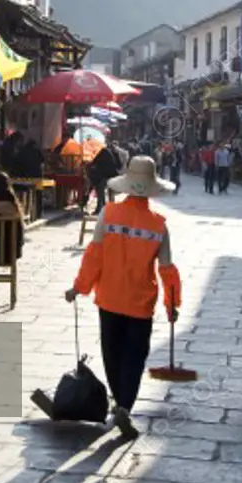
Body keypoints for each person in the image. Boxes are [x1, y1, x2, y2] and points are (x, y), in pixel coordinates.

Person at [65, 155, 181, 441]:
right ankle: (125, 406)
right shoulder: (159, 226)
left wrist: (79, 287)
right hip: (140, 304)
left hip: (110, 299)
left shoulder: (109, 214)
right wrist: (171, 304)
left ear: (128, 184)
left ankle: (119, 402)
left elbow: (94, 257)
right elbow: (167, 269)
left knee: (112, 354)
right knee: (134, 356)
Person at [86, 139, 121, 214]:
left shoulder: (102, 153)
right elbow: (119, 165)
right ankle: (110, 209)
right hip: (112, 175)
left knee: (100, 191)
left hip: (104, 176)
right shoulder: (112, 152)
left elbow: (95, 164)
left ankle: (100, 208)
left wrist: (91, 165)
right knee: (109, 194)